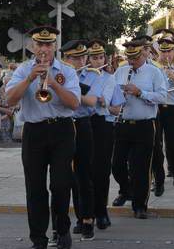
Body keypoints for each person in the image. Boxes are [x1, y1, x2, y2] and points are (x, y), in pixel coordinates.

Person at [4, 26, 81, 249]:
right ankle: (38, 240)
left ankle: (62, 228)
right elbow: (9, 99)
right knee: (35, 188)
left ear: (55, 46)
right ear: (33, 47)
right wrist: (30, 78)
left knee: (60, 184)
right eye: (40, 45)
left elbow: (75, 103)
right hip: (34, 131)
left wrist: (53, 83)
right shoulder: (23, 70)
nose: (44, 49)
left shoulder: (67, 71)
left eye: (49, 45)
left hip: (62, 130)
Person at [108, 40, 168, 219]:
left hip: (144, 125)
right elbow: (110, 94)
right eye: (129, 57)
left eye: (134, 57)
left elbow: (163, 97)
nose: (131, 61)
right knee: (117, 164)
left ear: (144, 55)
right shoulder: (121, 71)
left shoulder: (154, 72)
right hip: (123, 123)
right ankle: (126, 190)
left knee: (141, 168)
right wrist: (113, 101)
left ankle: (140, 205)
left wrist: (140, 93)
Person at [62, 40, 100, 238]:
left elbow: (92, 101)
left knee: (84, 174)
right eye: (74, 58)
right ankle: (69, 220)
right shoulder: (58, 74)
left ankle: (87, 219)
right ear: (66, 59)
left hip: (83, 123)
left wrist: (73, 88)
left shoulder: (94, 76)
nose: (79, 61)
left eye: (82, 57)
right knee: (65, 176)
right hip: (64, 125)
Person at [87, 41, 116, 230]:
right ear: (88, 59)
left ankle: (101, 212)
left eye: (100, 58)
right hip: (83, 123)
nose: (98, 61)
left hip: (102, 125)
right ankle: (85, 214)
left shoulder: (109, 78)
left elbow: (105, 103)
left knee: (102, 171)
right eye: (94, 58)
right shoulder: (80, 76)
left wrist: (93, 99)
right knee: (83, 172)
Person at [153, 37, 174, 192]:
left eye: (169, 51)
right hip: (158, 108)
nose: (166, 54)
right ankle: (158, 180)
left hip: (173, 108)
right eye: (163, 51)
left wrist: (172, 75)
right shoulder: (154, 68)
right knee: (156, 144)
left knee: (173, 142)